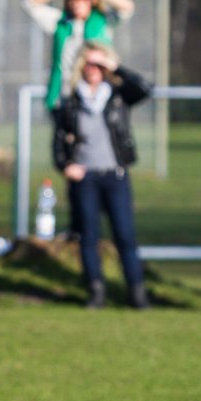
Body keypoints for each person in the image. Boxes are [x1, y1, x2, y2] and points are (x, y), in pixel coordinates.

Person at [52, 41, 151, 309]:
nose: (93, 69)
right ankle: (96, 291)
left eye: (99, 64)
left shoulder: (117, 96)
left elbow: (144, 89)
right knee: (89, 236)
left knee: (125, 235)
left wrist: (114, 66)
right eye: (89, 64)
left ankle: (136, 292)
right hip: (85, 178)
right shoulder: (71, 101)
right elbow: (59, 141)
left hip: (115, 175)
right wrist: (65, 165)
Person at [22, 0, 136, 113]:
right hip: (66, 92)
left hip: (96, 92)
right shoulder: (60, 21)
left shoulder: (103, 20)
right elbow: (30, 5)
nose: (77, 4)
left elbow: (127, 8)